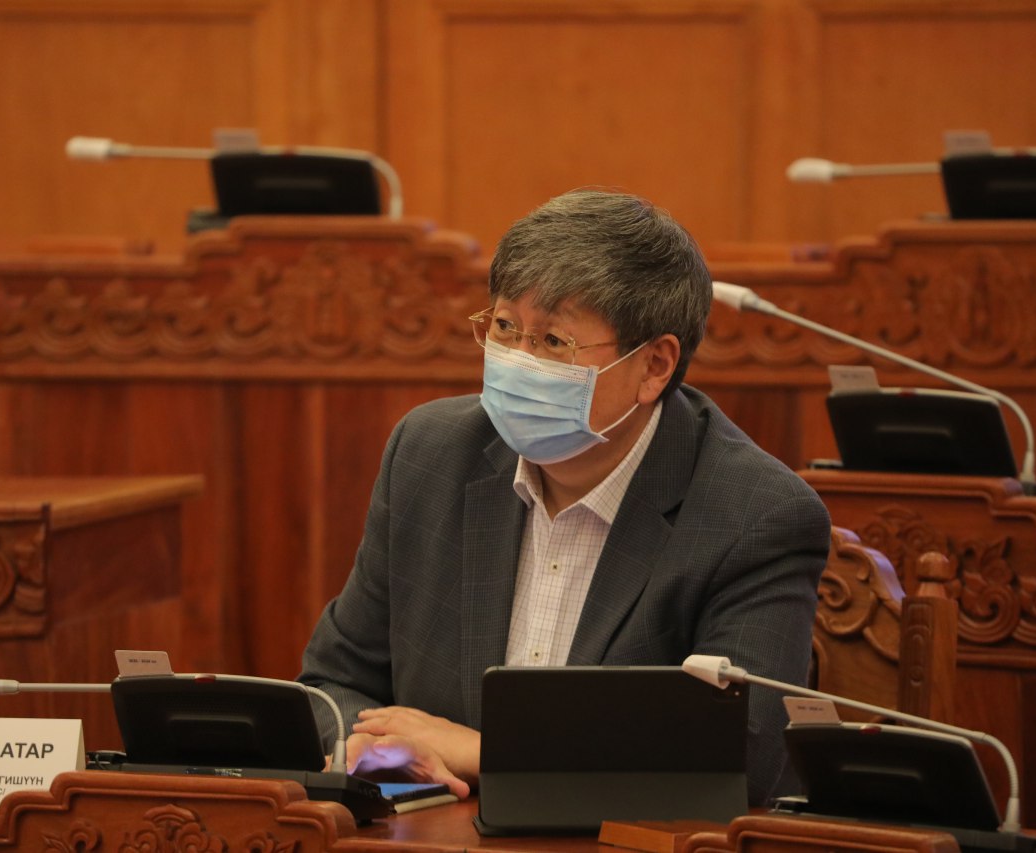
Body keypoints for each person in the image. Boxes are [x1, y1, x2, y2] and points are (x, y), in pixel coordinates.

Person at [297, 189, 831, 805]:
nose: (517, 362)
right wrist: (370, 748)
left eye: (554, 342)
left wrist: (485, 752)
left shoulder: (755, 516)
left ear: (654, 366)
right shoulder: (430, 454)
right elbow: (332, 685)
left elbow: (739, 761)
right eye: (505, 328)